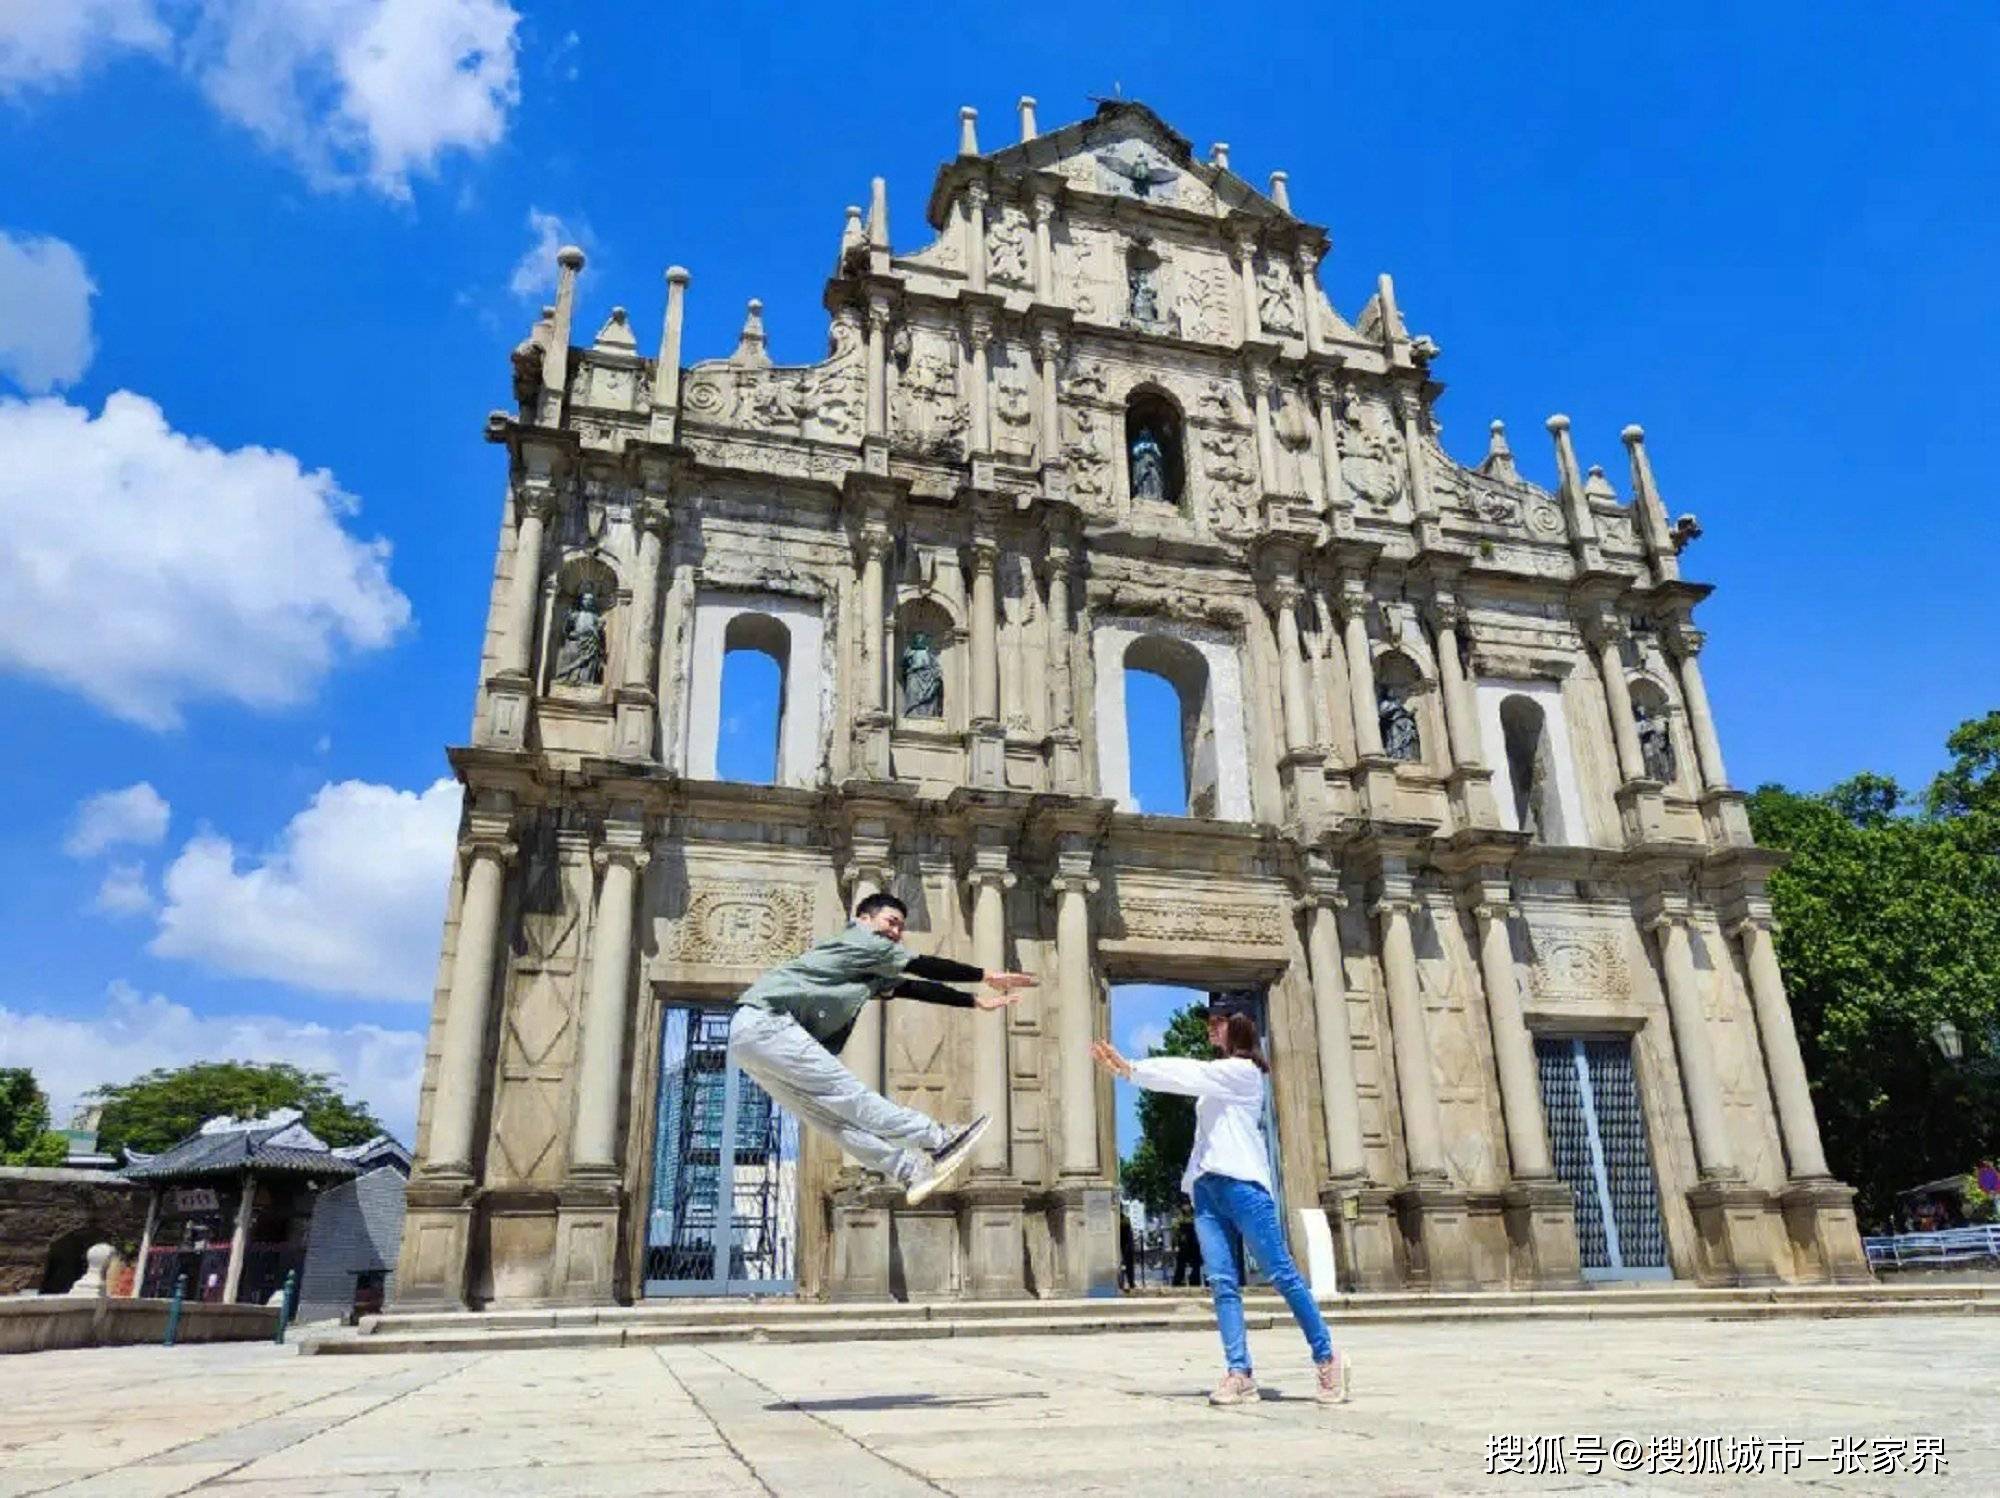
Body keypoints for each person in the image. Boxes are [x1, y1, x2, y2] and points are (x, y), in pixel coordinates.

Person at [1091, 1001, 1350, 1407]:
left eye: (1217, 1023)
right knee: (1223, 1284)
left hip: (1245, 1187)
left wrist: (1132, 1069)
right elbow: (1206, 1133)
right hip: (1209, 1189)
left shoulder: (1244, 1073)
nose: (1210, 1029)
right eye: (1210, 1023)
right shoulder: (1221, 1079)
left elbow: (1193, 1074)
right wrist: (1193, 1184)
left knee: (1282, 1274)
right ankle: (1239, 1372)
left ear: (1239, 1026)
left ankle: (1327, 1356)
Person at [729, 892, 1034, 1205]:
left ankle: (908, 1169)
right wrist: (985, 976)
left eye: (901, 928)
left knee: (832, 1120)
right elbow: (921, 966)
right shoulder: (860, 940)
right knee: (847, 1094)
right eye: (891, 922)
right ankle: (939, 1138)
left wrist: (972, 1000)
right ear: (864, 918)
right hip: (768, 1024)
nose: (896, 932)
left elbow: (909, 986)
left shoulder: (866, 969)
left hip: (749, 1041)